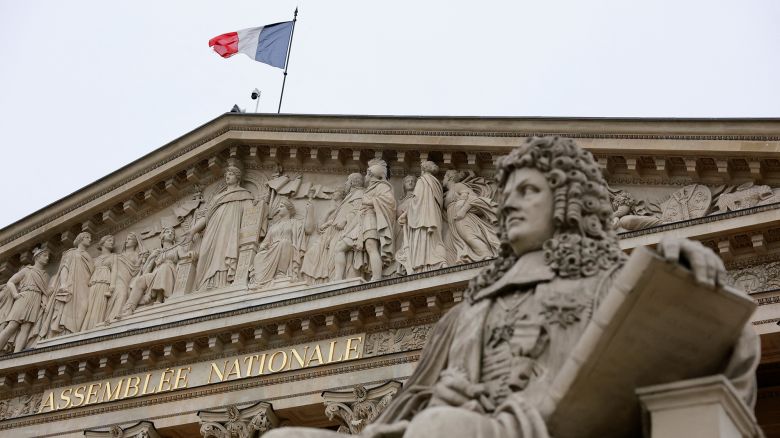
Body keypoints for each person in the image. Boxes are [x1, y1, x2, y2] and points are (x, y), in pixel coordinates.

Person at [265, 137, 759, 438]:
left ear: (567, 197)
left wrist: (692, 279)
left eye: (529, 191)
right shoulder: (466, 313)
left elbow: (713, 350)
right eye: (506, 195)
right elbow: (397, 415)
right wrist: (444, 399)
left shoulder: (610, 280)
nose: (509, 206)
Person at [189, 158, 257, 291]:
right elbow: (206, 217)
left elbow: (251, 215)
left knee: (224, 251)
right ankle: (205, 283)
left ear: (237, 178)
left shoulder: (244, 194)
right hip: (212, 230)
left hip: (230, 228)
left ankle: (221, 282)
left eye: (230, 174)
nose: (227, 177)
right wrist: (193, 230)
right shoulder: (216, 198)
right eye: (226, 175)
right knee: (206, 254)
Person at [334, 159, 396, 282]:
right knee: (339, 247)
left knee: (371, 247)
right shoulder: (369, 189)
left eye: (367, 174)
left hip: (371, 220)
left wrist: (369, 201)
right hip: (360, 222)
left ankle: (377, 278)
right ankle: (337, 279)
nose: (365, 177)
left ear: (372, 175)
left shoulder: (382, 186)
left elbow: (390, 202)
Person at [119, 227, 187, 317]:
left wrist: (190, 254)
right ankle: (129, 309)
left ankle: (159, 299)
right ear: (162, 236)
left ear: (174, 237)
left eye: (172, 233)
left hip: (170, 272)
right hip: (156, 273)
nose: (170, 233)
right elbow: (145, 270)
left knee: (164, 267)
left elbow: (184, 256)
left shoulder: (177, 247)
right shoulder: (157, 251)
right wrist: (151, 257)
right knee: (141, 279)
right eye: (167, 232)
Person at [38, 232, 94, 339]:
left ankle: (73, 334)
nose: (90, 240)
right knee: (68, 307)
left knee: (84, 306)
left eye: (90, 238)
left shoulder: (88, 255)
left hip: (84, 285)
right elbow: (64, 268)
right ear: (80, 239)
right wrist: (63, 284)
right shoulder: (71, 253)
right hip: (72, 284)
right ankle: (63, 334)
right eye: (87, 237)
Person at [250, 198, 315, 287]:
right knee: (258, 256)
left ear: (288, 209)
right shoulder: (273, 226)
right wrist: (262, 246)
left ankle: (281, 273)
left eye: (281, 206)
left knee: (284, 243)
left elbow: (309, 229)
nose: (278, 209)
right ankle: (260, 281)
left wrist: (310, 211)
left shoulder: (295, 223)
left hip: (287, 249)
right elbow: (266, 242)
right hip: (272, 250)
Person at [443, 170, 500, 263]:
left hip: (462, 217)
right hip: (453, 220)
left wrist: (463, 211)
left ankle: (487, 257)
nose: (443, 180)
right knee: (451, 244)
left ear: (450, 178)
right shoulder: (449, 192)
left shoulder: (458, 186)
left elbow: (473, 197)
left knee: (469, 237)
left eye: (444, 177)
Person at [0, 248, 50, 353]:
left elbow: (44, 292)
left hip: (36, 299)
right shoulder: (27, 270)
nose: (47, 258)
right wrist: (15, 294)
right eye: (44, 256)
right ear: (37, 257)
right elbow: (10, 282)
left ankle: (17, 354)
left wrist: (44, 302)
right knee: (12, 325)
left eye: (47, 256)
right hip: (24, 296)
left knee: (26, 328)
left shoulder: (45, 275)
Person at [404, 161, 447, 273]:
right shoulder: (436, 182)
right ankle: (441, 261)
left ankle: (423, 265)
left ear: (422, 170)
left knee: (424, 239)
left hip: (423, 218)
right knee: (436, 240)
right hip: (435, 217)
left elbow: (416, 201)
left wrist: (405, 214)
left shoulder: (422, 181)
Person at [104, 232, 147, 322]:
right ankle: (109, 318)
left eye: (130, 239)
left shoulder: (136, 255)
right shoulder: (118, 255)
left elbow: (136, 269)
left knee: (123, 293)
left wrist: (143, 260)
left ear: (135, 242)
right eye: (126, 238)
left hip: (127, 278)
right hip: (116, 278)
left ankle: (114, 317)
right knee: (114, 296)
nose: (127, 240)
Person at [81, 235, 116, 330]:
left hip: (104, 283)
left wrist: (112, 285)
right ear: (102, 243)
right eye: (109, 240)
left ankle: (95, 327)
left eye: (112, 241)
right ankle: (86, 328)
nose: (112, 242)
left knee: (99, 305)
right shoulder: (95, 259)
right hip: (93, 284)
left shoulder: (113, 256)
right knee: (90, 306)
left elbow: (114, 271)